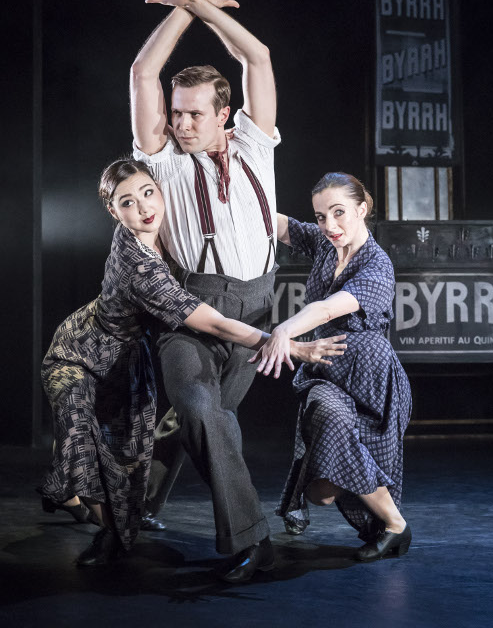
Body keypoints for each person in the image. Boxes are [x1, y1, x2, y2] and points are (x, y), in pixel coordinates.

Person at [39, 159, 343, 567]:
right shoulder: (140, 266)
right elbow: (215, 322)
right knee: (80, 435)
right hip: (79, 352)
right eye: (127, 203)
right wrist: (291, 346)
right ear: (114, 212)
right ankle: (108, 530)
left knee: (136, 448)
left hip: (128, 360)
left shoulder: (164, 223)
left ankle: (88, 499)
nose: (145, 208)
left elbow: (245, 215)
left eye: (149, 192)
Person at [129, 0, 299, 583]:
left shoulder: (256, 147)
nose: (181, 122)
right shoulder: (163, 161)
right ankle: (252, 540)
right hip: (189, 311)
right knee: (203, 411)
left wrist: (207, 7)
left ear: (225, 115)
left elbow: (256, 56)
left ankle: (132, 510)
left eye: (194, 113)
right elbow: (145, 73)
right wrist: (179, 12)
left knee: (197, 423)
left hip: (255, 303)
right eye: (176, 113)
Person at [250, 172, 412, 563]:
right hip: (327, 371)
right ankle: (394, 524)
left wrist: (284, 331)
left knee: (333, 481)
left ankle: (394, 526)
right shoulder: (325, 244)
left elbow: (326, 308)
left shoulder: (377, 266)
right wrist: (232, 200)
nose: (330, 225)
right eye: (322, 216)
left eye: (339, 213)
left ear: (362, 209)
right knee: (319, 492)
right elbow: (282, 225)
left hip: (372, 380)